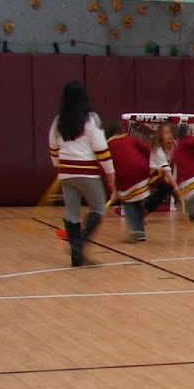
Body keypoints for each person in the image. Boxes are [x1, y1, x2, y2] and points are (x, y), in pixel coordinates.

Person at [49, 81, 114, 267]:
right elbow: (101, 148)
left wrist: (57, 164)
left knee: (72, 214)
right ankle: (78, 246)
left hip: (65, 172)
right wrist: (110, 173)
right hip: (86, 172)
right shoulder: (90, 119)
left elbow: (53, 146)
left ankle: (76, 257)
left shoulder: (58, 120)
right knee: (99, 208)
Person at [106, 120, 158, 241]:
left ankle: (136, 230)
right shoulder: (131, 139)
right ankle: (139, 227)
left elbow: (109, 170)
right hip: (142, 169)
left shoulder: (108, 146)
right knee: (137, 199)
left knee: (128, 202)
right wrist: (145, 164)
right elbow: (147, 149)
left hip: (126, 174)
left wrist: (114, 190)